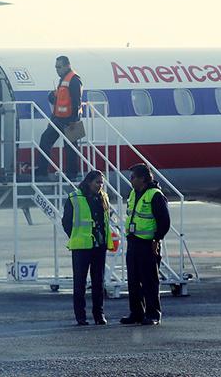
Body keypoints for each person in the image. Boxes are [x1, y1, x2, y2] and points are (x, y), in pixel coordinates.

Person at [120, 164, 170, 326]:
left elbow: (164, 221)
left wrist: (157, 240)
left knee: (149, 280)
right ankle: (136, 313)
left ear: (142, 178)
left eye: (133, 177)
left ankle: (153, 313)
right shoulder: (134, 193)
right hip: (134, 241)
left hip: (148, 244)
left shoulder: (155, 195)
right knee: (133, 280)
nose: (131, 180)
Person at [62, 170, 112, 325]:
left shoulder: (103, 197)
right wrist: (77, 236)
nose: (100, 185)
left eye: (101, 183)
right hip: (81, 247)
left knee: (98, 282)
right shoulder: (74, 198)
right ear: (89, 182)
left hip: (99, 246)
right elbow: (66, 222)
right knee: (80, 283)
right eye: (97, 182)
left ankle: (99, 314)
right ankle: (81, 316)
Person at [37, 56, 83, 180]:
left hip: (71, 119)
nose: (57, 70)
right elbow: (60, 100)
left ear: (67, 65)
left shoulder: (74, 79)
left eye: (59, 67)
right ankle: (41, 171)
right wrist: (52, 97)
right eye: (56, 67)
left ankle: (72, 175)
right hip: (58, 118)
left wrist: (74, 120)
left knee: (71, 147)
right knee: (45, 140)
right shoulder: (63, 80)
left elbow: (76, 101)